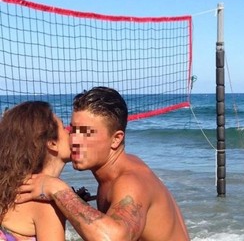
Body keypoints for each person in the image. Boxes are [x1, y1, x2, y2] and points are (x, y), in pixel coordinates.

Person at [17, 87, 190, 241]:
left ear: (116, 139)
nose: (75, 140)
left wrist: (56, 189)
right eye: (74, 129)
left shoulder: (130, 182)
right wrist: (76, 203)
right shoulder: (122, 168)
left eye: (87, 133)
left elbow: (112, 238)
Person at [0, 101, 71, 240]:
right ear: (52, 143)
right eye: (64, 128)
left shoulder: (10, 188)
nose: (70, 132)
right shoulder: (45, 205)